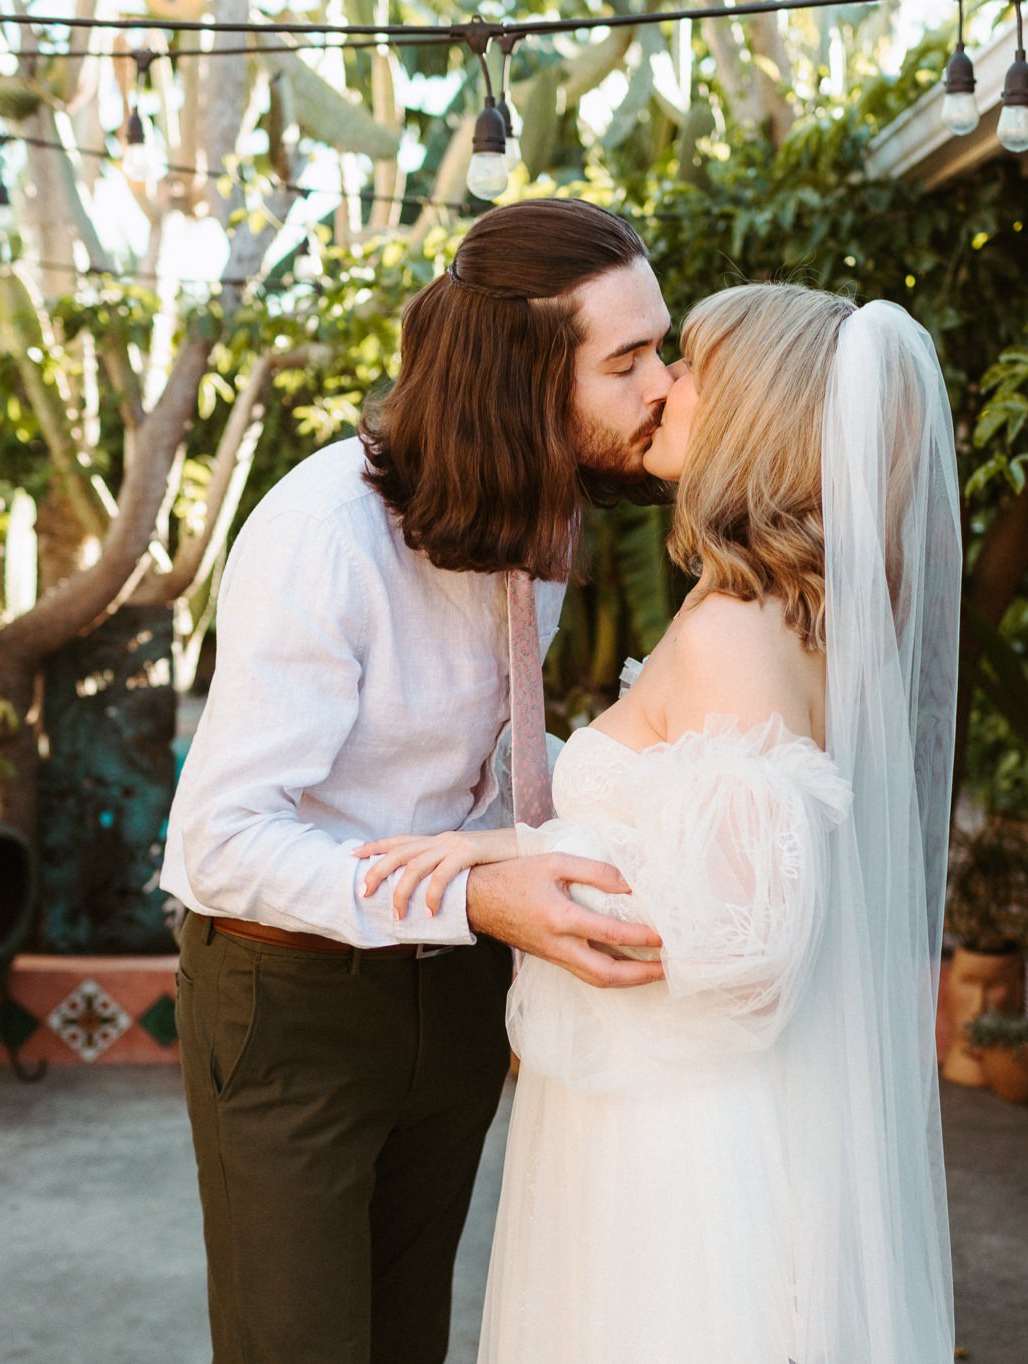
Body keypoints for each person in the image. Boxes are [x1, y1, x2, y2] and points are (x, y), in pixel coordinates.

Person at [359, 283, 962, 1362]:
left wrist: (506, 861)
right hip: (659, 1115)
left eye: (691, 366)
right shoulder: (774, 602)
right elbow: (683, 835)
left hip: (680, 1153)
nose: (664, 386)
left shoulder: (738, 626)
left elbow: (743, 934)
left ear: (753, 417)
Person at [162, 198, 679, 1364]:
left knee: (407, 1346)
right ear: (521, 379)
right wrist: (472, 898)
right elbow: (222, 838)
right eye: (629, 358)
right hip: (289, 1000)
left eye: (662, 344)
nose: (664, 381)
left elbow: (499, 770)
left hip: (453, 997)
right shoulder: (321, 536)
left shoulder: (537, 521)